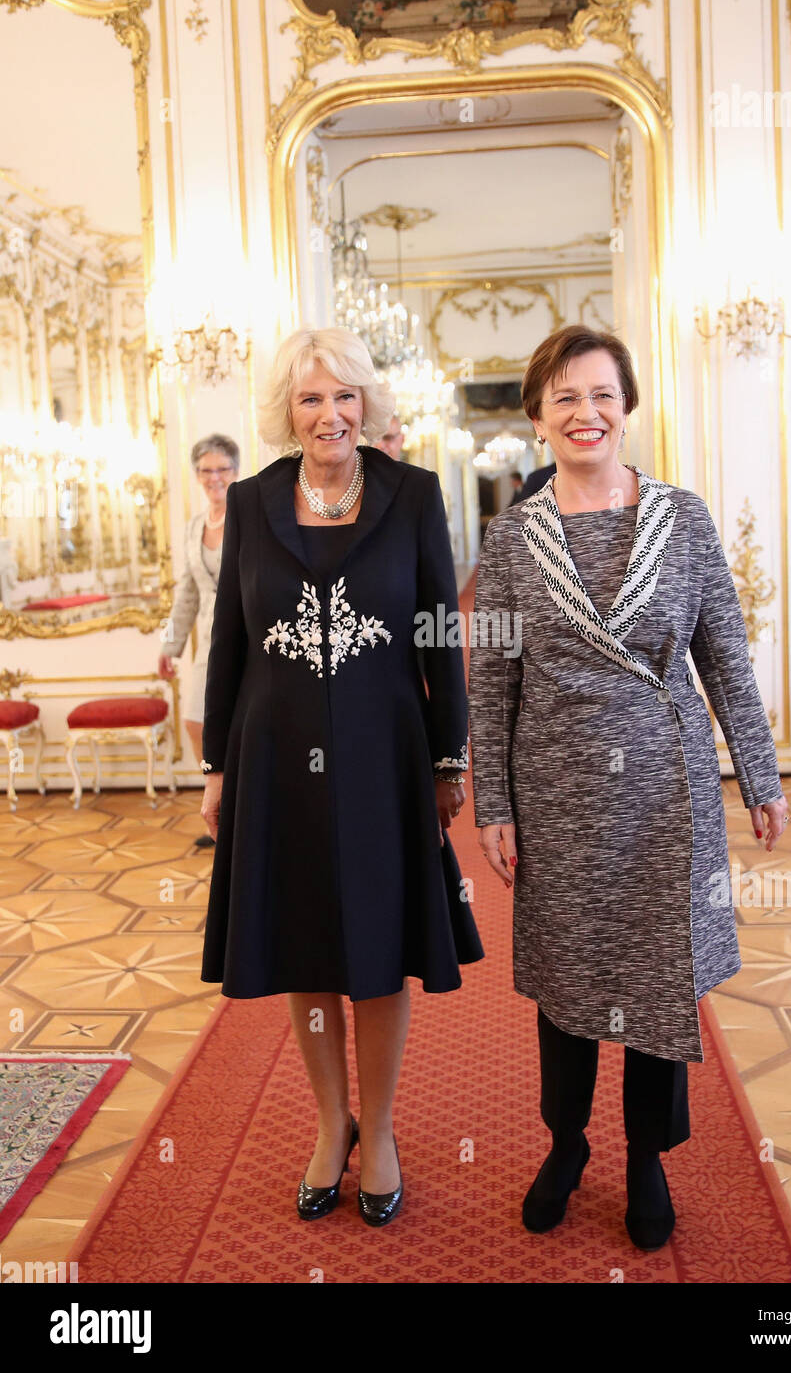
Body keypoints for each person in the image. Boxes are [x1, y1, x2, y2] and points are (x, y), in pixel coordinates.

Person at [468, 324, 789, 1252]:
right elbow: (493, 684)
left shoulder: (681, 519)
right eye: (563, 396)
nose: (585, 412)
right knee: (568, 980)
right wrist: (495, 801)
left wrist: (758, 773)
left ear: (628, 406)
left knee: (657, 978)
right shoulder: (513, 537)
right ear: (536, 418)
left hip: (663, 784)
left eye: (601, 393)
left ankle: (645, 1154)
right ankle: (565, 1145)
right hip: (558, 784)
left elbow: (722, 655)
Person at [199, 327, 482, 1228]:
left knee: (378, 947)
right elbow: (229, 643)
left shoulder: (412, 495)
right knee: (302, 942)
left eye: (345, 396)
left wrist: (448, 758)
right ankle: (332, 1123)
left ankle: (385, 1128)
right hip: (274, 756)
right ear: (288, 410)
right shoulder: (250, 502)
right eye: (311, 398)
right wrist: (214, 768)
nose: (330, 414)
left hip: (383, 757)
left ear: (369, 405)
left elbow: (439, 632)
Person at [158, 433, 239, 848]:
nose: (214, 477)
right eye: (206, 470)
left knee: (240, 727)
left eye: (222, 468)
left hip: (245, 637)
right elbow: (185, 594)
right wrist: (169, 645)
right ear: (197, 475)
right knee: (196, 722)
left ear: (236, 471)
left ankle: (244, 813)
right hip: (208, 640)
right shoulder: (192, 528)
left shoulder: (248, 515)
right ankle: (219, 805)